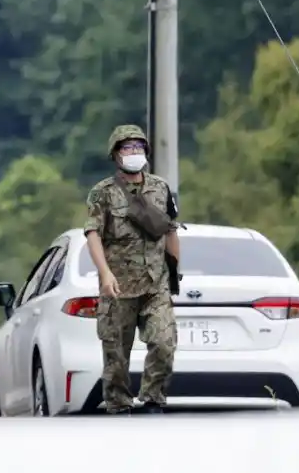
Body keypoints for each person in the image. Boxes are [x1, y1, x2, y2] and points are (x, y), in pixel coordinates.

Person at [84, 124, 180, 415]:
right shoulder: (103, 193)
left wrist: (174, 273)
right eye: (127, 148)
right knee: (116, 359)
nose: (134, 152)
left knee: (164, 344)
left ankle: (153, 399)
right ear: (115, 154)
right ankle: (119, 407)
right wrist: (104, 273)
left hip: (155, 284)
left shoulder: (160, 188)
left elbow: (170, 231)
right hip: (119, 287)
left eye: (139, 147)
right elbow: (93, 234)